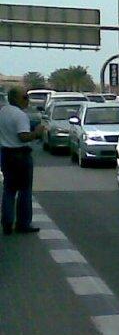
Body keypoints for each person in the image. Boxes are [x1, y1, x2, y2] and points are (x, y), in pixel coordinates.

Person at [0, 88, 44, 235]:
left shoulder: (3, 112)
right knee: (25, 190)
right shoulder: (20, 115)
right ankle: (23, 223)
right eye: (25, 97)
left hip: (6, 154)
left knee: (9, 190)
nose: (27, 100)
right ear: (16, 99)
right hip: (20, 155)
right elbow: (23, 136)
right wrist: (37, 133)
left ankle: (7, 223)